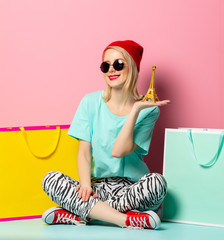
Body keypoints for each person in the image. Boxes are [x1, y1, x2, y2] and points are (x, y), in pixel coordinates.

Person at [41, 40, 170, 229]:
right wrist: (85, 185)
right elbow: (84, 153)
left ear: (132, 67)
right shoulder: (89, 102)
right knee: (50, 179)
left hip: (131, 190)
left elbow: (118, 151)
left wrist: (135, 110)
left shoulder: (148, 110)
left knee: (158, 183)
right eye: (105, 65)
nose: (111, 70)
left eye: (118, 64)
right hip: (96, 189)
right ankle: (124, 219)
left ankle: (84, 213)